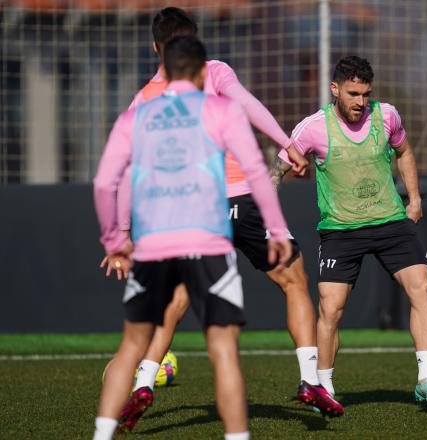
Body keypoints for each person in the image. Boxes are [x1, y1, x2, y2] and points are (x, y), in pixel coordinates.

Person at [101, 7, 342, 430]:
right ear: (195, 42)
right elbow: (247, 107)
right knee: (293, 282)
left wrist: (121, 233)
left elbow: (122, 175)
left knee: (174, 301)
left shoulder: (143, 98)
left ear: (155, 46)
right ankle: (309, 380)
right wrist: (288, 144)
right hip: (240, 196)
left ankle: (144, 383)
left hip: (190, 210)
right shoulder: (214, 71)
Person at [93, 36, 291, 440]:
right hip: (208, 245)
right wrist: (278, 229)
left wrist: (117, 239)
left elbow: (106, 182)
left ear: (162, 66)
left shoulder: (138, 115)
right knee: (223, 352)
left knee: (132, 346)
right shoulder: (219, 110)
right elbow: (255, 171)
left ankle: (102, 435)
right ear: (203, 71)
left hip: (153, 246)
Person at [270, 55, 427, 404]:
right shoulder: (312, 128)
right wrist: (268, 223)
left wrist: (414, 199)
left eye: (366, 94)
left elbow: (404, 152)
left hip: (391, 222)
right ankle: (325, 388)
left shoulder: (388, 115)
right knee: (330, 310)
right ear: (335, 89)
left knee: (422, 289)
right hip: (340, 230)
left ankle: (426, 379)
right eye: (353, 94)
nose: (361, 102)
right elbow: (276, 172)